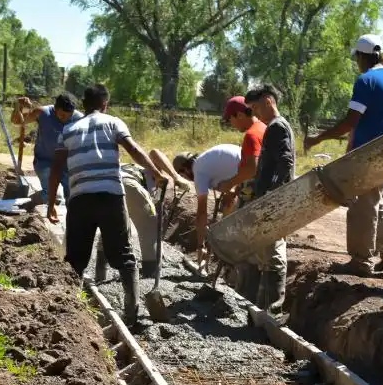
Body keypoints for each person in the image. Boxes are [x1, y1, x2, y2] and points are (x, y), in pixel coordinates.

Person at [47, 84, 171, 324]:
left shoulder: (69, 130)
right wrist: (156, 172)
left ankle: (72, 314)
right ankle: (132, 312)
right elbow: (133, 149)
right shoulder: (113, 123)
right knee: (125, 256)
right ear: (105, 104)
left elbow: (55, 171)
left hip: (80, 198)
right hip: (111, 196)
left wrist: (51, 203)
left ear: (83, 104)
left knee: (75, 259)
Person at [305, 34, 383, 275]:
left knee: (362, 207)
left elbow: (350, 122)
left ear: (363, 56)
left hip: (368, 154)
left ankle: (360, 262)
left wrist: (318, 138)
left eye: (357, 58)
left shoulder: (366, 80)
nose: (357, 63)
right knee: (378, 201)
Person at [240, 84, 295, 312]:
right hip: (271, 199)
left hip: (275, 201)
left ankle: (273, 311)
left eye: (255, 108)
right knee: (266, 255)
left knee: (273, 255)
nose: (255, 114)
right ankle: (264, 311)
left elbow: (286, 162)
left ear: (268, 101)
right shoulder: (274, 127)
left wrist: (271, 193)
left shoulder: (277, 127)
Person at [171, 143, 242, 258]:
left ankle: (230, 252)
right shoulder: (205, 160)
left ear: (185, 170)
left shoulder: (199, 172)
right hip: (255, 165)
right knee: (228, 206)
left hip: (250, 173)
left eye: (184, 176)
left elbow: (202, 213)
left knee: (231, 217)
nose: (189, 180)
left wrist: (200, 246)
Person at [12, 93, 83, 202]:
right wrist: (18, 107)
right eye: (62, 115)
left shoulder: (79, 119)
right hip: (44, 161)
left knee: (73, 195)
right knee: (50, 195)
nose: (65, 119)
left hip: (67, 164)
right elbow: (17, 121)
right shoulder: (42, 113)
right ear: (55, 109)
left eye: (69, 116)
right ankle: (29, 204)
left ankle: (71, 218)